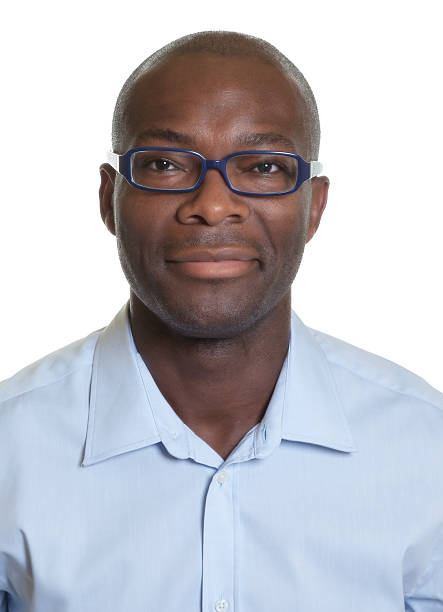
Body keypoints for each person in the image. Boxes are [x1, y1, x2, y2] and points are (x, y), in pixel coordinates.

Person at [0, 30, 442, 612]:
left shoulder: (426, 447)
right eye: (163, 164)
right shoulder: (10, 448)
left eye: (263, 166)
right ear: (109, 199)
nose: (212, 206)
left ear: (314, 206)